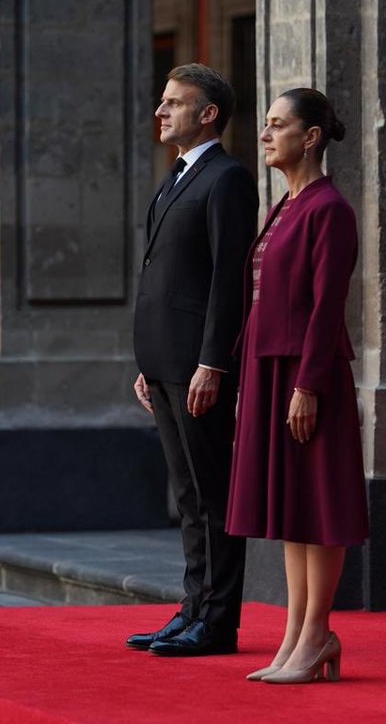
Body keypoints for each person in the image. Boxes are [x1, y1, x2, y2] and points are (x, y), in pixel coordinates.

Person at [227, 88, 369, 684]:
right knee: (291, 508)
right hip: (270, 369)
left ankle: (317, 634)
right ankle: (294, 634)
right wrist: (243, 375)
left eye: (276, 125)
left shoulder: (328, 209)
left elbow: (326, 306)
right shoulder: (283, 206)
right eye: (265, 125)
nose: (265, 135)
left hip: (307, 373)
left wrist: (308, 385)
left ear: (310, 137)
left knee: (318, 504)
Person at [127, 64, 258, 657]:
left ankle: (219, 620)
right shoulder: (174, 176)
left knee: (210, 492)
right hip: (163, 361)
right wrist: (147, 360)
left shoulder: (227, 178)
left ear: (208, 114)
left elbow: (228, 280)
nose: (161, 112)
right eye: (162, 101)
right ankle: (190, 609)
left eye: (175, 103)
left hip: (198, 365)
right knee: (185, 493)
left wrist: (213, 362)